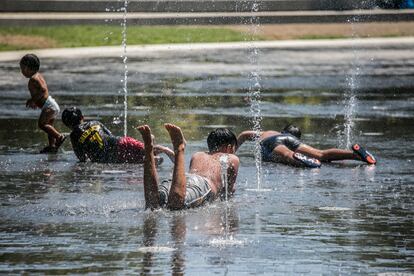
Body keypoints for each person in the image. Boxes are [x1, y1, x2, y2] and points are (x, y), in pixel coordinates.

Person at [137, 124, 239, 210]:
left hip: (180, 181)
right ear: (229, 147)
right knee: (176, 205)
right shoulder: (231, 158)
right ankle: (180, 147)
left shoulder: (198, 155)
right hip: (202, 186)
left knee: (153, 204)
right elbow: (227, 194)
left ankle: (148, 148)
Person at [61, 107, 172, 163]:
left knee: (143, 160)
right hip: (120, 142)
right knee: (145, 150)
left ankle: (155, 152)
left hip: (112, 157)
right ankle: (164, 149)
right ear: (82, 117)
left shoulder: (73, 136)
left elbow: (81, 157)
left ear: (66, 124)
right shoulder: (95, 123)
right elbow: (110, 134)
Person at [237, 124, 376, 168]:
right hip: (291, 140)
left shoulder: (268, 133)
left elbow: (243, 134)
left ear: (283, 131)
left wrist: (233, 150)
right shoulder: (292, 138)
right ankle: (356, 155)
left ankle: (299, 159)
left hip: (272, 141)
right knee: (321, 154)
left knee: (286, 155)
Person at [20, 54, 66, 153]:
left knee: (42, 124)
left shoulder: (34, 79)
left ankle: (59, 136)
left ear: (28, 68)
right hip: (51, 104)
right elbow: (41, 92)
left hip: (49, 106)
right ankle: (52, 146)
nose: (22, 71)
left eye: (22, 68)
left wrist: (33, 100)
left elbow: (43, 90)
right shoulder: (38, 75)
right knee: (49, 126)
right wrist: (35, 101)